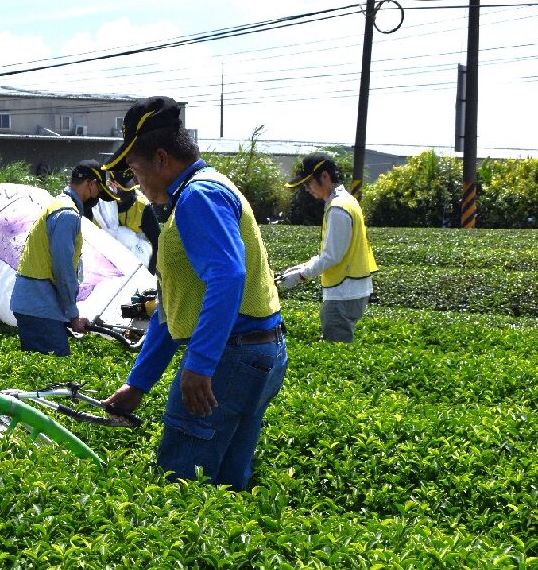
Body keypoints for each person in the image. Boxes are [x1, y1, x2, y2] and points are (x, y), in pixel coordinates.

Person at [101, 97, 287, 491]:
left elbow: (227, 276)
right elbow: (175, 309)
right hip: (255, 351)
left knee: (181, 484)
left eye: (135, 170)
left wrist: (200, 365)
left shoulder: (197, 196)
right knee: (226, 485)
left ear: (162, 159)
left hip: (231, 357)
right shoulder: (204, 189)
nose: (137, 184)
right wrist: (139, 384)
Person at [279, 153, 378, 343]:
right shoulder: (346, 201)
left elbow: (332, 256)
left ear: (325, 176)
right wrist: (300, 267)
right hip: (352, 288)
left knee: (336, 349)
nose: (307, 189)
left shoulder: (338, 208)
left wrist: (301, 275)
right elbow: (333, 251)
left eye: (309, 183)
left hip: (343, 292)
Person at [9, 160, 103, 356]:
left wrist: (70, 315)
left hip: (35, 303)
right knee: (57, 371)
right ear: (90, 184)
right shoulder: (67, 214)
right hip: (39, 305)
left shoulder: (58, 204)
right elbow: (63, 268)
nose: (98, 195)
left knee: (40, 371)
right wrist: (72, 313)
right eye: (99, 189)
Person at [96, 159, 161, 274]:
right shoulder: (100, 204)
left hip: (138, 263)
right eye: (124, 191)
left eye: (130, 190)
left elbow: (157, 243)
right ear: (111, 184)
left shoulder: (142, 206)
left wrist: (149, 275)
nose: (129, 195)